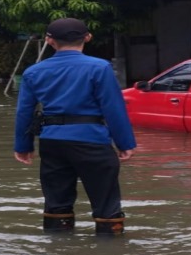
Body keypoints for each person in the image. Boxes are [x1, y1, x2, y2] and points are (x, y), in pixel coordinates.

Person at [13, 18, 137, 236]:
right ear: (87, 37)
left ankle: (58, 251)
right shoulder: (100, 68)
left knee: (56, 202)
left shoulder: (33, 72)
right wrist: (124, 143)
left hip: (52, 144)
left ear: (49, 41)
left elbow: (24, 112)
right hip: (92, 141)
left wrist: (23, 145)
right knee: (106, 203)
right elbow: (113, 109)